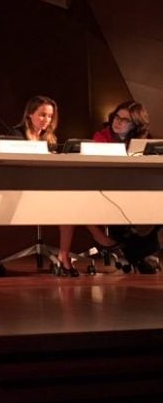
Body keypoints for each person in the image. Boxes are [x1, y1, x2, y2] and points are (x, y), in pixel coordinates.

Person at [59, 100, 158, 274]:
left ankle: (135, 253)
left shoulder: (144, 142)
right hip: (105, 191)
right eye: (117, 117)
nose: (118, 122)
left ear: (136, 125)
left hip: (134, 192)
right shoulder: (101, 137)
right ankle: (133, 254)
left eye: (125, 120)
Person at [11, 95, 81, 276]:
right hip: (21, 191)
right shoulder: (16, 135)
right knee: (67, 204)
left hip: (49, 188)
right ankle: (70, 254)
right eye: (42, 115)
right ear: (30, 115)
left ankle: (63, 256)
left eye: (50, 116)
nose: (46, 120)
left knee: (70, 205)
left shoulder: (50, 139)